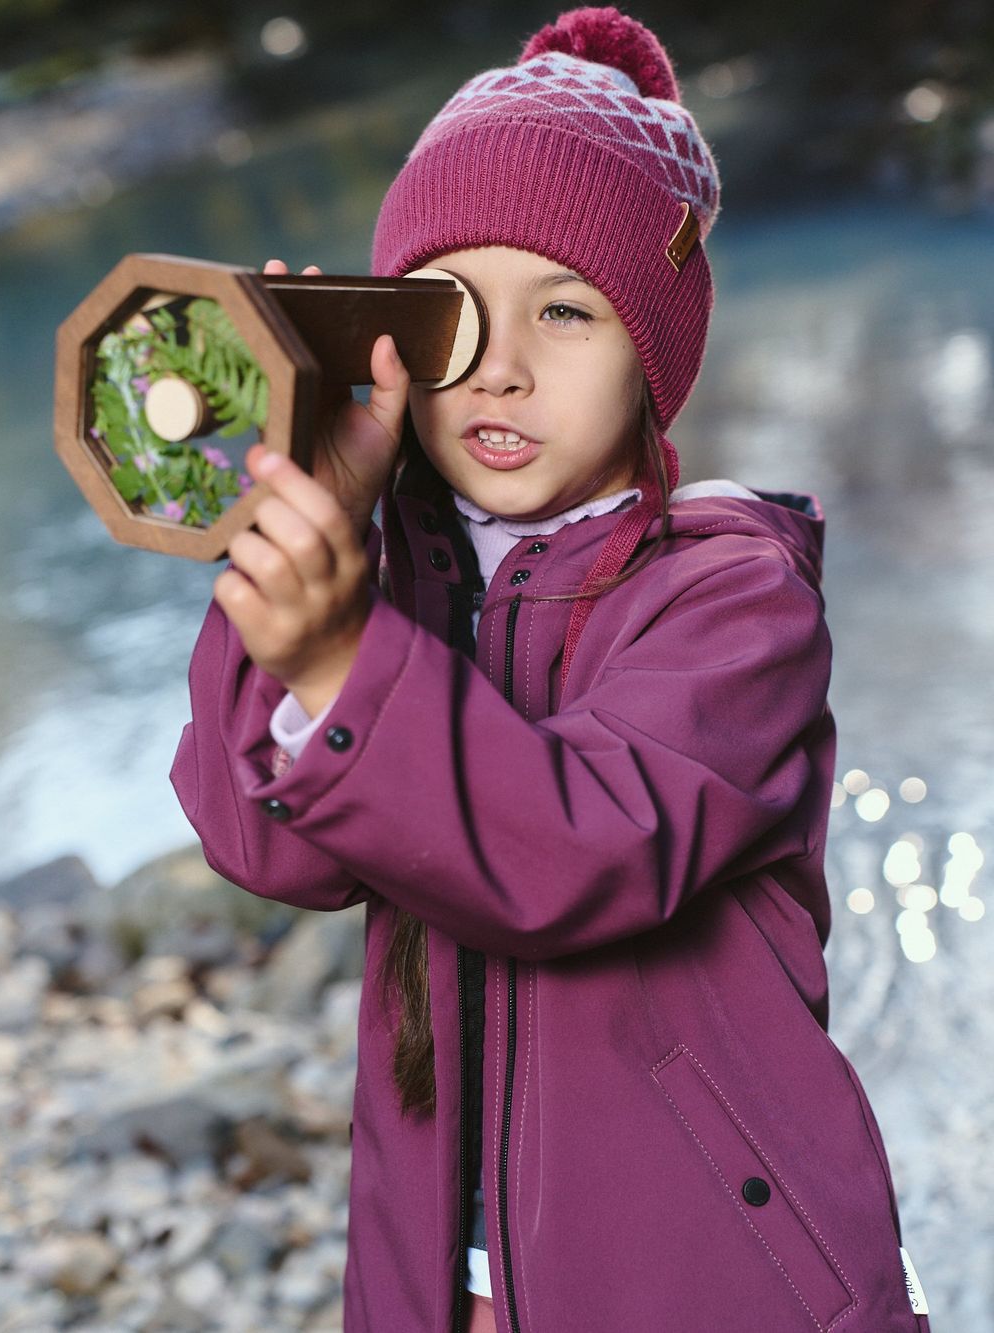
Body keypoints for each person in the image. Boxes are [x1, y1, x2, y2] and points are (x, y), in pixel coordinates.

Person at [171, 8, 931, 1330]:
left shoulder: (729, 592)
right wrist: (306, 537)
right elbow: (271, 847)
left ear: (656, 356)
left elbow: (580, 845)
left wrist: (346, 657)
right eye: (451, 311)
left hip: (711, 1276)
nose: (503, 367)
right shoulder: (393, 575)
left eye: (567, 310)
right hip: (448, 1269)